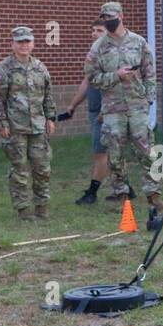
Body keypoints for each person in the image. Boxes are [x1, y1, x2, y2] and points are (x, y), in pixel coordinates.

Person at [83, 1, 163, 228]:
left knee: (146, 150)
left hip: (137, 105)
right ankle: (122, 194)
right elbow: (92, 77)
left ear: (121, 16)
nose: (109, 21)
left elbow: (150, 72)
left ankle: (154, 195)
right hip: (112, 108)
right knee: (115, 152)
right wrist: (115, 76)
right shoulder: (98, 47)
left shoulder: (139, 43)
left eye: (111, 17)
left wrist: (149, 98)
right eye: (105, 18)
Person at [0, 26, 57, 221]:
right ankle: (23, 210)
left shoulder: (40, 68)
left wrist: (51, 118)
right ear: (13, 45)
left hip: (38, 126)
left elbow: (48, 96)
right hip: (15, 127)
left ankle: (42, 207)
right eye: (20, 42)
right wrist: (1, 123)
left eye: (27, 41)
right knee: (19, 170)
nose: (24, 45)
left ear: (33, 44)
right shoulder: (3, 69)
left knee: (42, 168)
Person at [61, 20, 126, 205]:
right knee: (112, 151)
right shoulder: (95, 54)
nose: (93, 33)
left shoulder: (113, 55)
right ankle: (125, 188)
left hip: (106, 112)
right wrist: (72, 106)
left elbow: (119, 85)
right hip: (95, 110)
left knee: (100, 153)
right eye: (93, 30)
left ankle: (92, 192)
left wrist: (106, 111)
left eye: (98, 30)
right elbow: (87, 81)